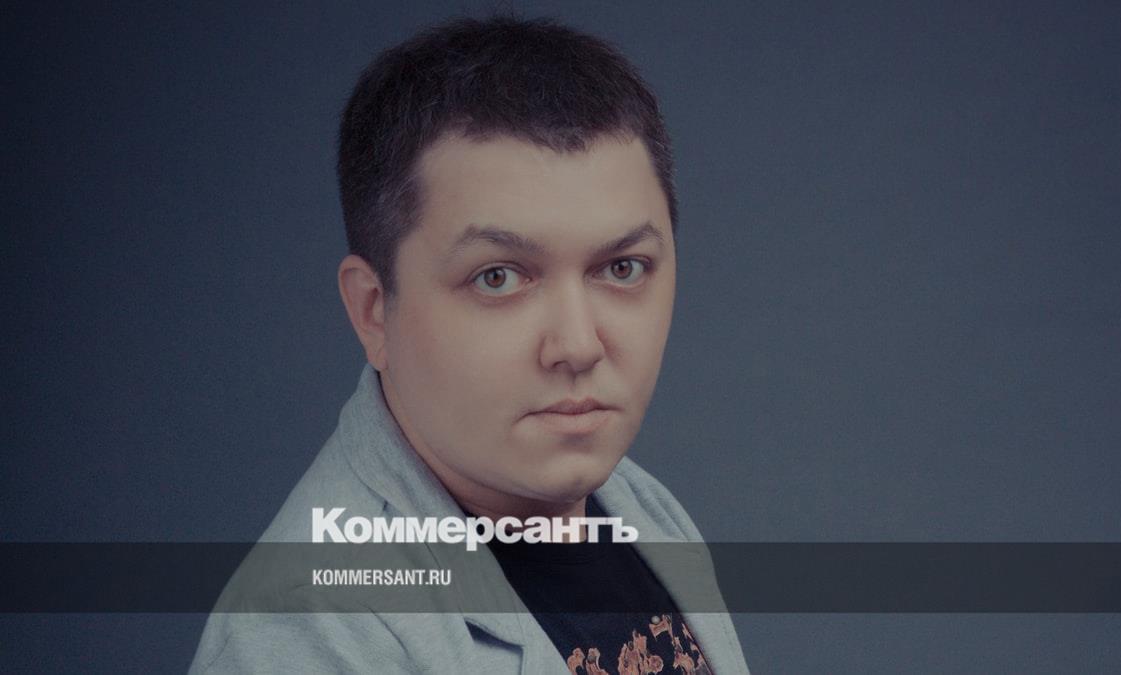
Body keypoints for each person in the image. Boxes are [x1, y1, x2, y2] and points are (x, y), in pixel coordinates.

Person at [191, 15, 748, 674]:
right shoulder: (315, 631)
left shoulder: (640, 507)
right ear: (373, 311)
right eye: (499, 277)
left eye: (621, 267)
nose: (577, 345)